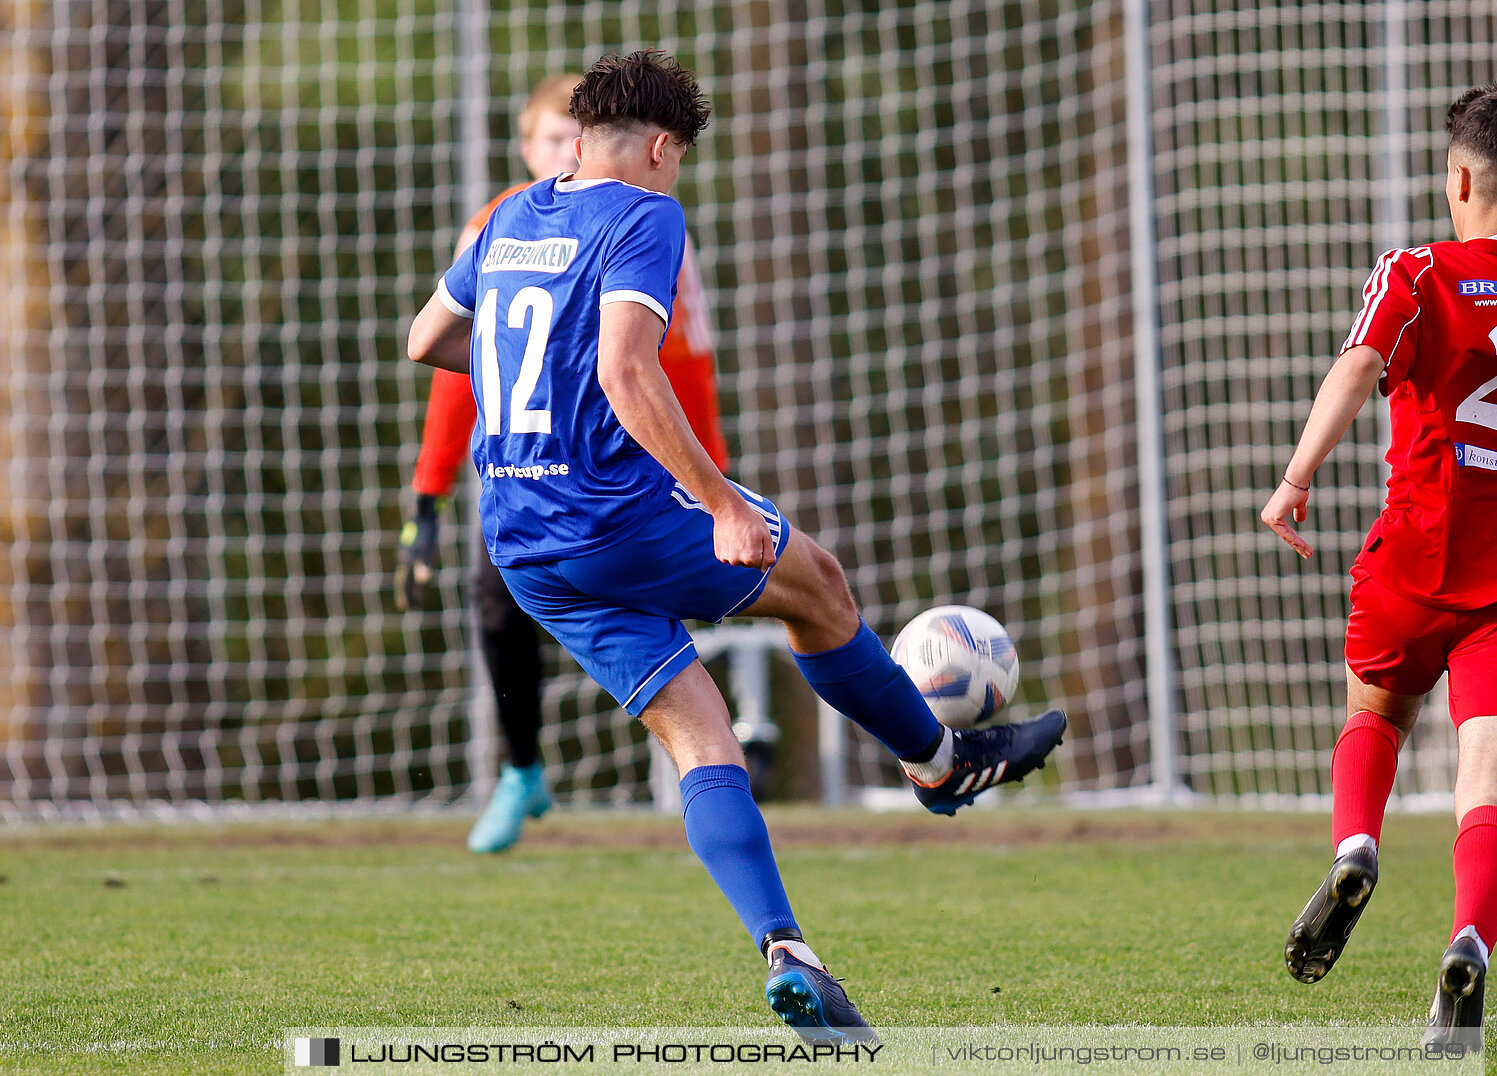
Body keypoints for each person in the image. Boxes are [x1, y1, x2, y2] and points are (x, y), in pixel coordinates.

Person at [406, 49, 1066, 1040]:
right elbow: (631, 372)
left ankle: (786, 946)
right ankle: (938, 762)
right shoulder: (644, 214)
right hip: (615, 515)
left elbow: (426, 339)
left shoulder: (507, 218)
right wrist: (717, 500)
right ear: (663, 148)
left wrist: (530, 367)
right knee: (820, 585)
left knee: (700, 735)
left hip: (522, 541)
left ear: (580, 132)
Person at [1260, 84, 1497, 1049]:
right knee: (1492, 786)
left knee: (1375, 711)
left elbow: (1359, 366)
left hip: (1415, 561)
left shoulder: (1415, 274)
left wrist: (1296, 478)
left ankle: (1356, 845)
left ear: (1459, 179)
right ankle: (1468, 941)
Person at [394, 74, 731, 855]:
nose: (560, 155)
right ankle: (521, 770)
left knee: (660, 615)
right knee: (494, 599)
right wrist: (428, 495)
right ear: (530, 147)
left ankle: (702, 766)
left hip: (626, 475)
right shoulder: (499, 225)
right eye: (545, 141)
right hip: (524, 471)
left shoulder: (645, 227)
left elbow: (683, 360)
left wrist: (714, 483)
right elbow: (452, 367)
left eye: (566, 141)